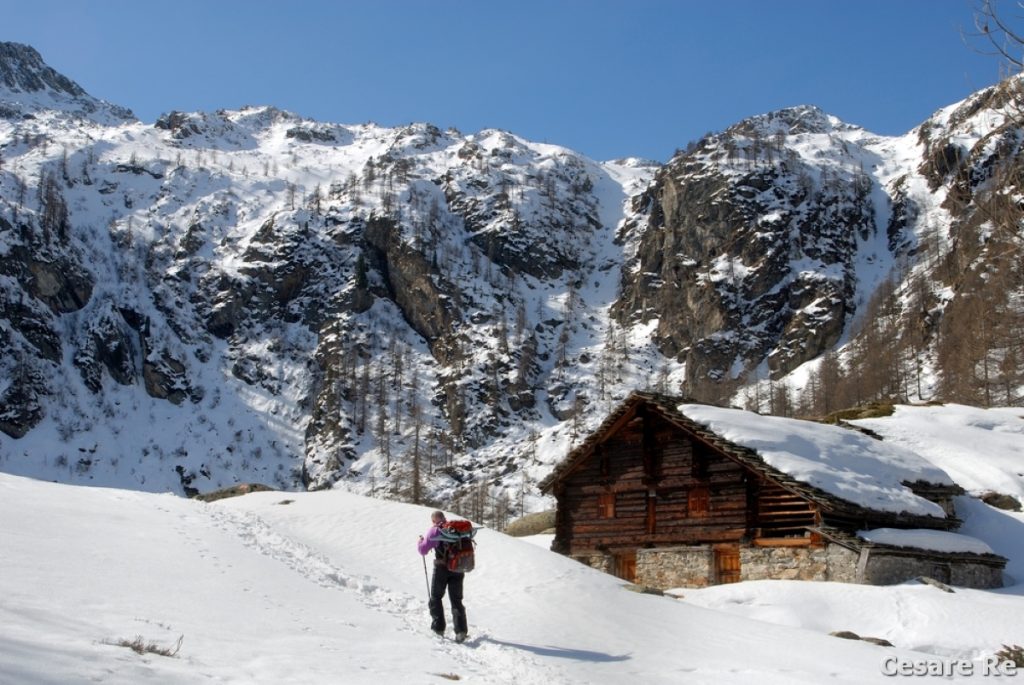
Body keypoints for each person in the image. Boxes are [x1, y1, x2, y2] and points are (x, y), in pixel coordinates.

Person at [417, 510, 468, 642]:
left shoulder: (435, 530)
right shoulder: (456, 529)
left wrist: (420, 542)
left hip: (441, 568)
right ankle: (461, 631)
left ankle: (438, 628)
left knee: (436, 596)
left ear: (433, 520)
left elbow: (423, 550)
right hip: (458, 567)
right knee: (456, 600)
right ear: (444, 518)